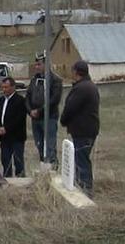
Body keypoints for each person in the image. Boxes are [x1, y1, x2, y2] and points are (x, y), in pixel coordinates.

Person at [60, 60, 99, 196]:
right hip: (87, 129)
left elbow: (71, 107)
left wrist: (63, 120)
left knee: (82, 161)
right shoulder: (89, 86)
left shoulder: (81, 88)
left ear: (76, 72)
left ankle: (85, 190)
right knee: (81, 159)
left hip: (83, 130)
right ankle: (82, 186)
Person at [26, 52, 63, 166]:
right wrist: (30, 111)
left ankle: (53, 168)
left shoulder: (55, 80)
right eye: (36, 64)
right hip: (35, 119)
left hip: (49, 117)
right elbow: (27, 96)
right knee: (39, 144)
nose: (37, 67)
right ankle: (43, 167)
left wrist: (40, 110)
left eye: (39, 64)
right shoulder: (34, 80)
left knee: (50, 146)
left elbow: (54, 100)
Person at [0, 77, 27, 177]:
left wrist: (6, 128)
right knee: (5, 160)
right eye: (2, 87)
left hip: (17, 137)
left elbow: (19, 119)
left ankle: (20, 180)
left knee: (18, 161)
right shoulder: (1, 100)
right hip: (4, 138)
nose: (4, 90)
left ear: (13, 87)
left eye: (6, 87)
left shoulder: (20, 100)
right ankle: (7, 179)